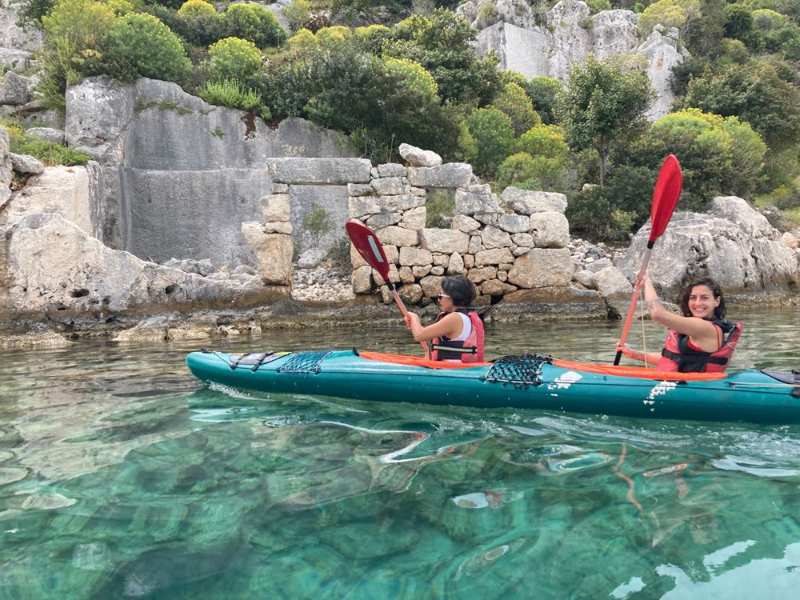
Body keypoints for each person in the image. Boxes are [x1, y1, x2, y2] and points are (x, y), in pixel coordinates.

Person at [616, 274, 742, 373]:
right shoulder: (701, 326)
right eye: (693, 298)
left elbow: (657, 314)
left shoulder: (705, 328)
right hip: (684, 383)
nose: (697, 303)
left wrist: (647, 282)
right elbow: (674, 358)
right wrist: (635, 354)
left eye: (704, 298)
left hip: (693, 389)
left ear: (716, 301)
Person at [405, 275, 485, 362]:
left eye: (440, 296)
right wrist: (414, 325)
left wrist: (414, 317)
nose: (439, 300)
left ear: (452, 297)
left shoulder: (454, 318)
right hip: (458, 368)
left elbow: (419, 335)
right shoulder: (466, 318)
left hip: (451, 369)